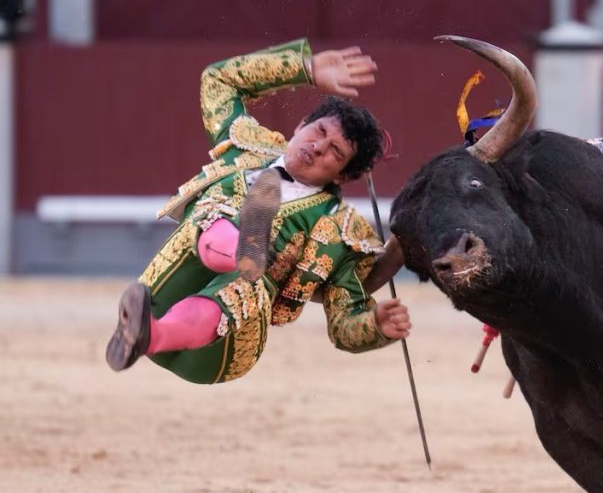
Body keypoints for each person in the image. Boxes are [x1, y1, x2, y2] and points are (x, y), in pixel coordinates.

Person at [106, 39, 410, 384]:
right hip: (158, 301)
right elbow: (218, 80)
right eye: (319, 131)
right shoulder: (246, 145)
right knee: (217, 211)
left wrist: (376, 326)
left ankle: (240, 260)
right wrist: (305, 68)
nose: (318, 147)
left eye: (335, 152)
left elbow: (344, 322)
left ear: (342, 176)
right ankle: (155, 329)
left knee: (250, 278)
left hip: (219, 349)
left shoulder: (340, 232)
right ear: (300, 125)